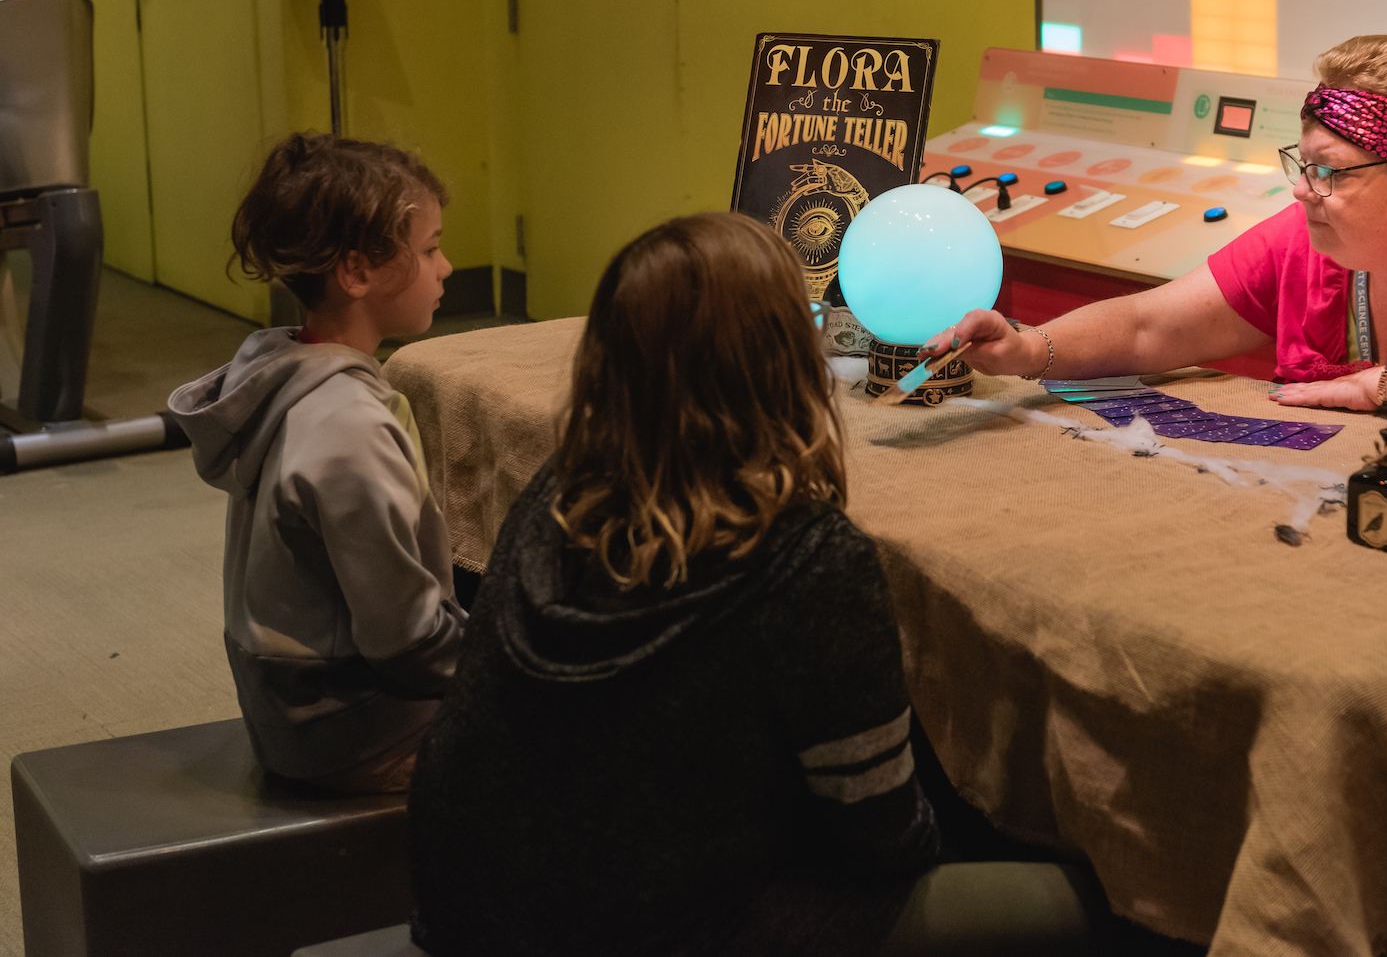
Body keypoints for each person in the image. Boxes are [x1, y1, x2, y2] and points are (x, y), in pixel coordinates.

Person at [406, 213, 1104, 957]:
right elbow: (882, 842)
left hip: (468, 904)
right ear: (785, 362)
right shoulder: (810, 559)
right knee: (1086, 907)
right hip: (666, 927)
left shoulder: (559, 490)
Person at [937, 35, 1387, 469]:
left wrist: (1378, 388)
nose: (1305, 191)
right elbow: (1152, 326)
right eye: (1301, 164)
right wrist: (1030, 351)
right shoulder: (1310, 237)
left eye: (1332, 171)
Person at [169, 133, 465, 793]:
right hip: (353, 729)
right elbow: (407, 642)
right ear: (357, 272)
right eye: (429, 248)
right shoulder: (350, 425)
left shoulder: (282, 373)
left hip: (289, 710)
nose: (446, 267)